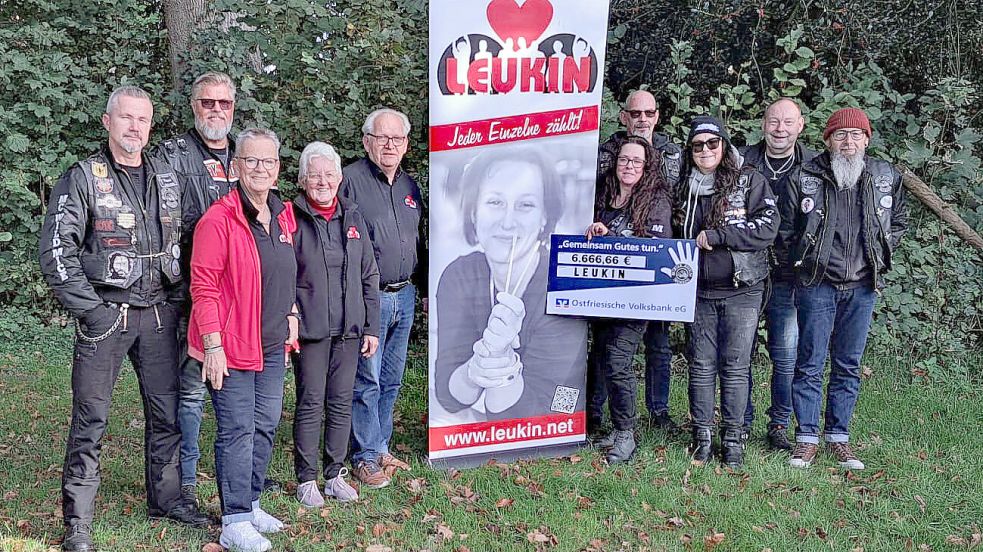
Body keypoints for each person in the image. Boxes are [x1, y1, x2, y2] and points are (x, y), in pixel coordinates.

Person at [39, 85, 206, 552]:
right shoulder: (83, 178)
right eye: (126, 118)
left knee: (167, 413)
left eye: (143, 120)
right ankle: (78, 521)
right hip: (107, 316)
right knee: (91, 419)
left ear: (150, 126)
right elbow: (57, 250)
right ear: (108, 121)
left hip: (159, 315)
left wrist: (189, 301)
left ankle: (167, 499)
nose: (135, 127)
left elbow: (195, 239)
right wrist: (90, 311)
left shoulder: (168, 176)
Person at [188, 128, 298, 552]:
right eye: (251, 161)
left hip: (272, 344)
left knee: (266, 424)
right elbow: (204, 285)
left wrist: (291, 314)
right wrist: (212, 345)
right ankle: (233, 521)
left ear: (278, 169)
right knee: (237, 429)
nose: (260, 168)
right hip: (231, 345)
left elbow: (286, 273)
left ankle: (251, 504)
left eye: (268, 161)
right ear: (235, 168)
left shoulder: (283, 214)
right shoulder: (220, 219)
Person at [780, 107, 906, 470]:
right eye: (840, 135)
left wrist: (879, 254)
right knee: (809, 362)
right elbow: (787, 230)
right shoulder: (805, 176)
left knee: (848, 364)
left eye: (855, 135)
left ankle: (839, 437)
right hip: (817, 284)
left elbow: (898, 222)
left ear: (867, 140)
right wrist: (802, 263)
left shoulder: (885, 175)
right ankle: (805, 438)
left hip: (863, 286)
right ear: (828, 140)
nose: (848, 142)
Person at [433, 148, 588, 424]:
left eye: (525, 205)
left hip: (559, 416)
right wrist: (477, 368)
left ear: (544, 216)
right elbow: (448, 394)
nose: (507, 221)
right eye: (495, 202)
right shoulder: (459, 276)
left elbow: (546, 408)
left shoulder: (565, 283)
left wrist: (501, 364)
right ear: (474, 212)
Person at [154, 71, 239, 505]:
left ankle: (237, 474)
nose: (217, 111)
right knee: (188, 394)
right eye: (209, 103)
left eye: (224, 103)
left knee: (234, 390)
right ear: (194, 106)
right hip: (188, 294)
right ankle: (184, 479)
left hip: (239, 300)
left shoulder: (247, 153)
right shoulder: (172, 155)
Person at [678, 116, 779, 469]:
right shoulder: (683, 186)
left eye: (712, 143)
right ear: (690, 151)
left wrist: (719, 236)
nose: (705, 151)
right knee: (701, 366)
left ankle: (733, 439)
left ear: (724, 144)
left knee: (735, 366)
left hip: (742, 288)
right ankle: (702, 437)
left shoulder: (749, 179)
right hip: (696, 290)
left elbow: (767, 229)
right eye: (697, 145)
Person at [291, 142, 380, 506]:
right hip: (311, 330)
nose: (323, 181)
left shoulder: (354, 217)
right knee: (311, 401)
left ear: (340, 178)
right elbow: (283, 274)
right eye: (315, 175)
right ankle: (305, 479)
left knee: (341, 401)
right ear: (302, 180)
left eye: (329, 174)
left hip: (349, 330)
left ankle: (335, 474)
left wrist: (371, 326)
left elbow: (369, 275)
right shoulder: (289, 217)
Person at [342, 108, 426, 489]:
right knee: (367, 380)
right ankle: (362, 455)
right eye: (382, 138)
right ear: (366, 142)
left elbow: (418, 241)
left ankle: (380, 445)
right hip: (370, 298)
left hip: (404, 294)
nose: (389, 144)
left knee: (391, 379)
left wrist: (422, 289)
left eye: (397, 139)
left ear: (406, 145)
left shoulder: (411, 187)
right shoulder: (350, 181)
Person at [592, 90, 683, 432]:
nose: (642, 118)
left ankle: (653, 416)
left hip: (649, 285)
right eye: (636, 113)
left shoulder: (671, 157)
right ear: (624, 116)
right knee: (602, 353)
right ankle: (594, 416)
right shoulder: (604, 165)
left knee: (654, 349)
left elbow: (658, 240)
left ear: (657, 116)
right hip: (604, 286)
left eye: (649, 112)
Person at [584, 136, 673, 464]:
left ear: (647, 165)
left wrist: (616, 236)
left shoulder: (656, 198)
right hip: (602, 294)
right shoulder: (604, 192)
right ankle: (608, 425)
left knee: (619, 360)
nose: (629, 166)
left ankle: (626, 434)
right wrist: (595, 230)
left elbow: (656, 245)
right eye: (624, 160)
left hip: (638, 298)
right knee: (603, 358)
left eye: (636, 161)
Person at [739, 98, 817, 450]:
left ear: (801, 125)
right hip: (744, 271)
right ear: (763, 124)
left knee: (785, 353)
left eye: (788, 122)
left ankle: (779, 424)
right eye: (774, 121)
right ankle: (740, 419)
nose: (780, 129)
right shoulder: (741, 160)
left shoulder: (815, 165)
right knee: (740, 349)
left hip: (790, 273)